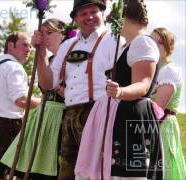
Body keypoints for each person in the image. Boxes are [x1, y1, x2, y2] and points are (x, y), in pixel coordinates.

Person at [31, 0, 122, 179]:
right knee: (67, 171)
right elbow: (48, 83)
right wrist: (41, 55)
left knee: (97, 172)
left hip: (98, 112)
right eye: (83, 13)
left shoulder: (115, 40)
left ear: (103, 13)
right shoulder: (68, 45)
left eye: (93, 11)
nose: (89, 17)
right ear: (75, 18)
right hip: (70, 114)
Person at [75, 0, 163, 179]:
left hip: (132, 116)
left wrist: (121, 92)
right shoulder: (128, 46)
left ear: (121, 18)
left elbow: (144, 83)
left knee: (129, 174)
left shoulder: (142, 43)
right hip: (122, 114)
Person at [1, 19, 67, 180]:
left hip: (61, 118)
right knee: (33, 169)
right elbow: (45, 90)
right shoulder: (49, 60)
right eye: (42, 34)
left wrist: (56, 86)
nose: (45, 38)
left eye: (49, 33)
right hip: (44, 117)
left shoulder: (72, 57)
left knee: (56, 168)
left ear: (62, 34)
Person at [0, 32, 41, 180]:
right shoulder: (13, 67)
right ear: (10, 46)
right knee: (22, 175)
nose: (29, 49)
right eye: (25, 45)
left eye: (30, 46)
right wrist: (43, 101)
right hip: (8, 127)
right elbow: (21, 100)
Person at [151, 27, 186, 180]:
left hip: (163, 125)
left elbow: (157, 108)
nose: (152, 45)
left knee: (163, 170)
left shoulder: (169, 70)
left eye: (157, 42)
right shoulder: (156, 70)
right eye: (149, 40)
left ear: (168, 46)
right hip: (157, 124)